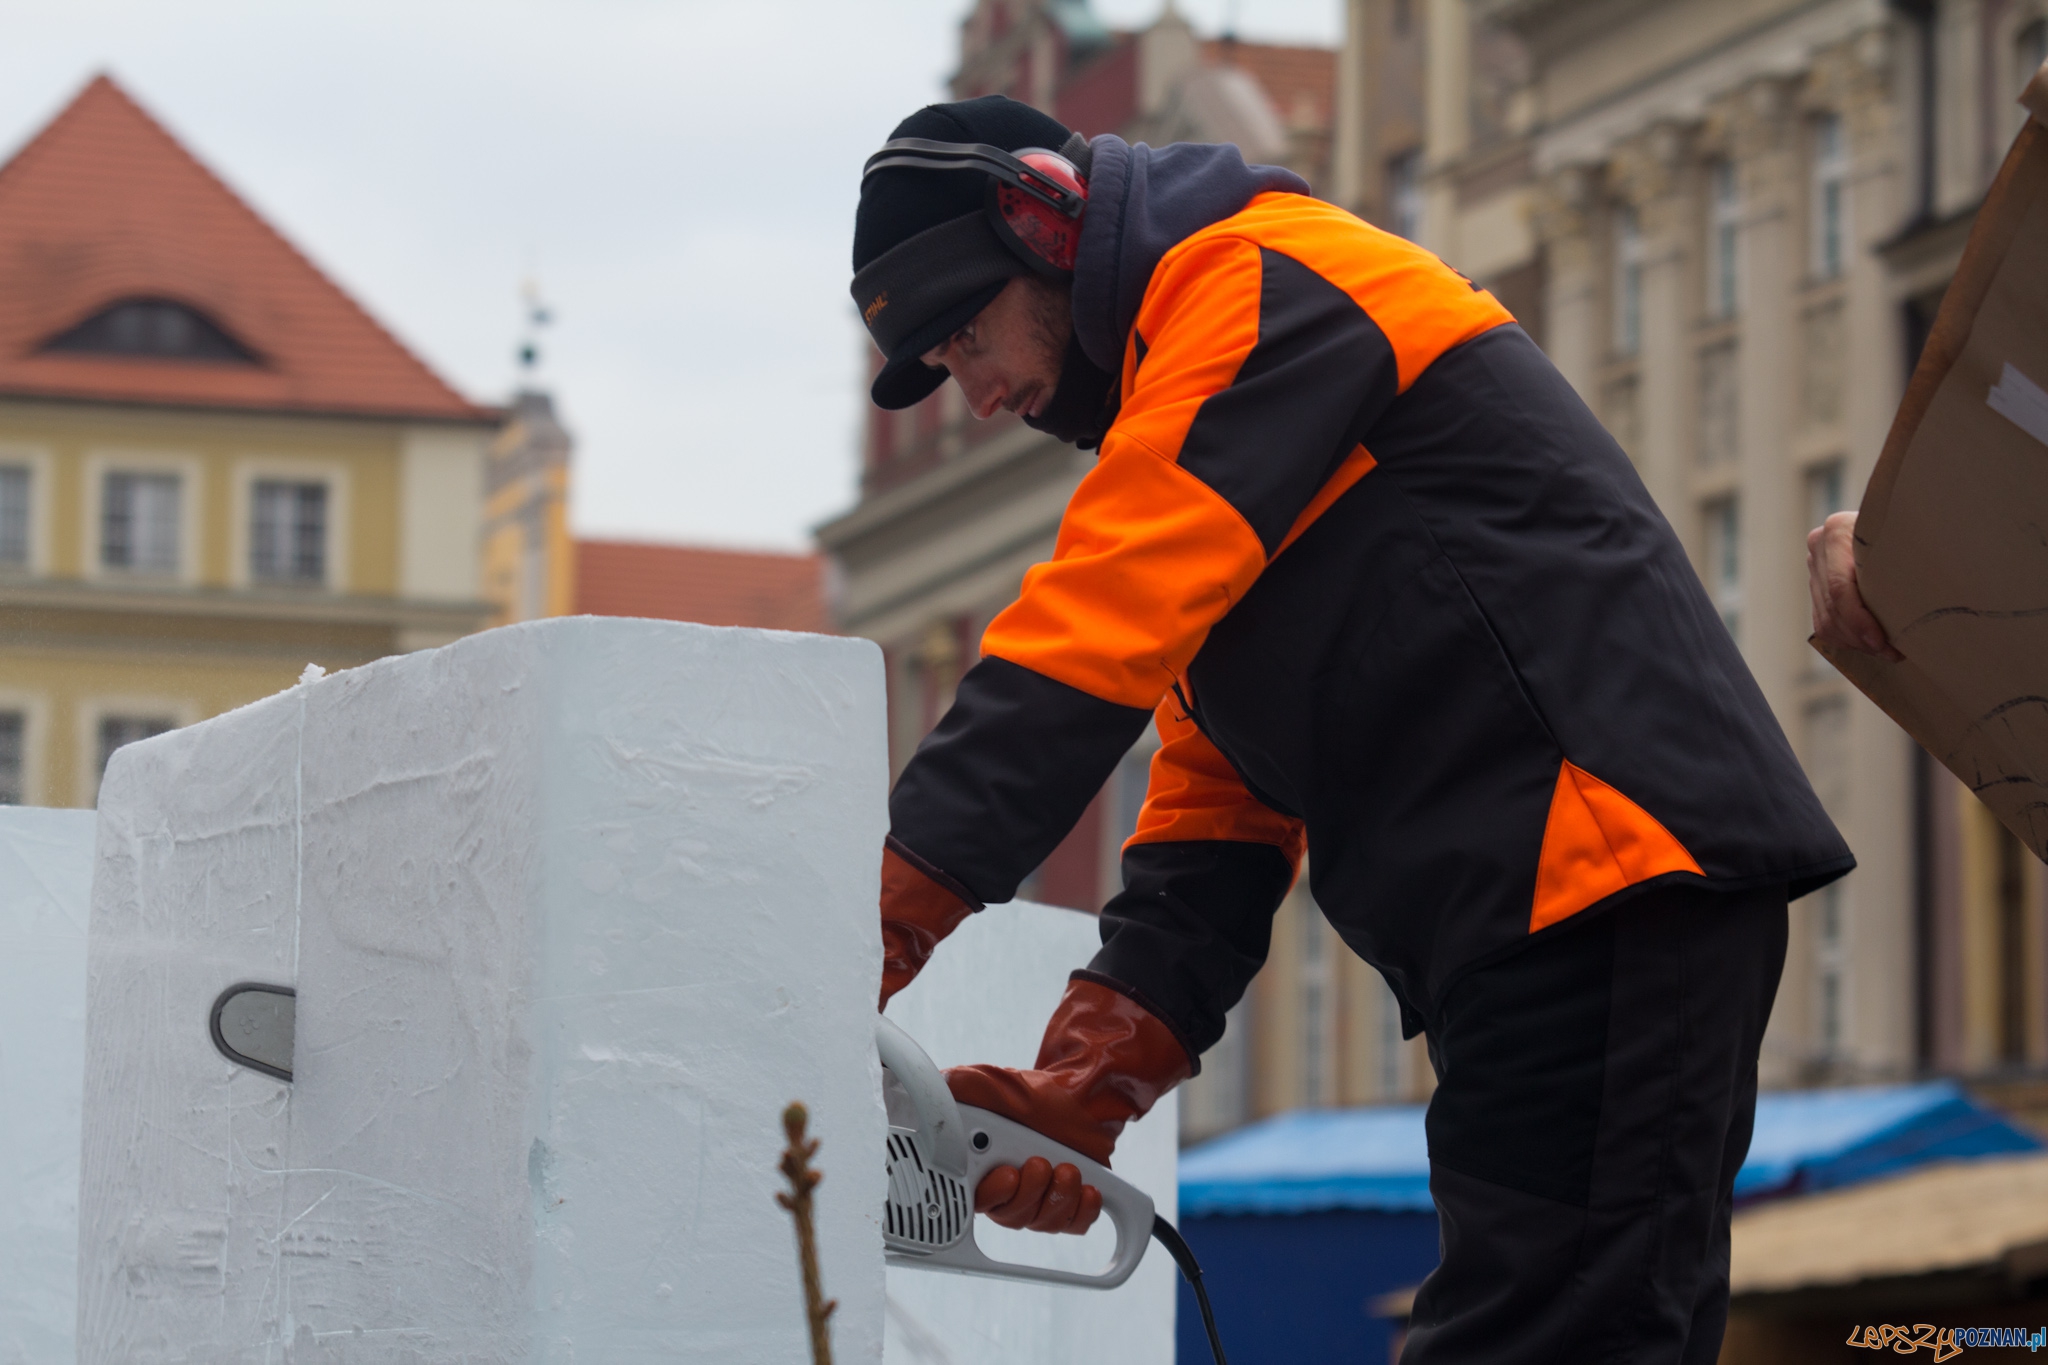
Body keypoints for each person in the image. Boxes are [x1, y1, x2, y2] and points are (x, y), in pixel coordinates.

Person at [856, 95, 1853, 1363]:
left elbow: (1081, 638)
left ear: (1041, 220)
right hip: (1556, 909)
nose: (979, 392)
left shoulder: (1257, 277)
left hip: (1596, 878)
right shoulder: (1223, 393)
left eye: (968, 334)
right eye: (944, 369)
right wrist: (1088, 1081)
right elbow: (1215, 806)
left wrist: (855, 950)